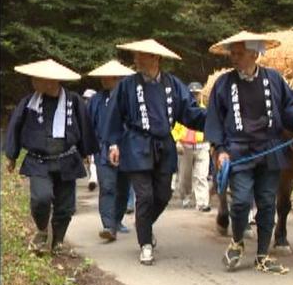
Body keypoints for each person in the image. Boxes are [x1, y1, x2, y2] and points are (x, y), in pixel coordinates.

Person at [206, 31, 293, 275]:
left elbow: (288, 107)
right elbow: (214, 118)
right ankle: (237, 241)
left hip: (269, 149)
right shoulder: (224, 84)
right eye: (232, 53)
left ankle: (262, 255)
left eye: (239, 53)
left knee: (268, 203)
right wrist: (220, 150)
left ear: (254, 54)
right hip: (238, 150)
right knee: (241, 201)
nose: (234, 58)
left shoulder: (274, 79)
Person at [104, 39, 207, 265]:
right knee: (145, 195)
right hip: (135, 144)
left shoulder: (173, 84)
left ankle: (144, 226)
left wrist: (214, 122)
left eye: (142, 56)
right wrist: (113, 143)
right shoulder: (127, 85)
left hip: (164, 146)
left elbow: (190, 112)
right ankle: (146, 244)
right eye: (136, 55)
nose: (137, 60)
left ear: (155, 58)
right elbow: (113, 115)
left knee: (163, 195)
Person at [4, 59, 98, 255]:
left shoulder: (73, 101)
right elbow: (15, 126)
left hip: (67, 159)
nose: (32, 82)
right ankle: (41, 230)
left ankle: (58, 241)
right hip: (38, 160)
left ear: (50, 81)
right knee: (41, 198)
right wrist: (11, 155)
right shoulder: (29, 102)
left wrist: (85, 153)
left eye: (36, 79)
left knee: (65, 205)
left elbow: (84, 127)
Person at [86, 60, 136, 242]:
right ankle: (108, 225)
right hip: (103, 149)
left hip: (126, 149)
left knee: (123, 189)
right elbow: (89, 125)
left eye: (108, 77)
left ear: (117, 78)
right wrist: (87, 148)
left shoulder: (130, 99)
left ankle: (116, 220)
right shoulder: (96, 100)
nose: (104, 80)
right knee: (107, 187)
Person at [171, 81, 211, 212]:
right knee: (185, 177)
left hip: (203, 145)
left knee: (201, 175)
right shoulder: (182, 111)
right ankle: (186, 196)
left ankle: (202, 202)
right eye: (192, 93)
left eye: (197, 93)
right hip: (186, 146)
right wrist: (177, 142)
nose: (194, 95)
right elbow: (175, 128)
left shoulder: (205, 109)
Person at [82, 89, 99, 192]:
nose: (86, 101)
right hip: (87, 137)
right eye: (85, 99)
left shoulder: (98, 109)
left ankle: (93, 178)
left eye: (88, 98)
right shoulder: (83, 110)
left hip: (97, 138)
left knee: (93, 160)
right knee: (89, 160)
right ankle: (92, 178)